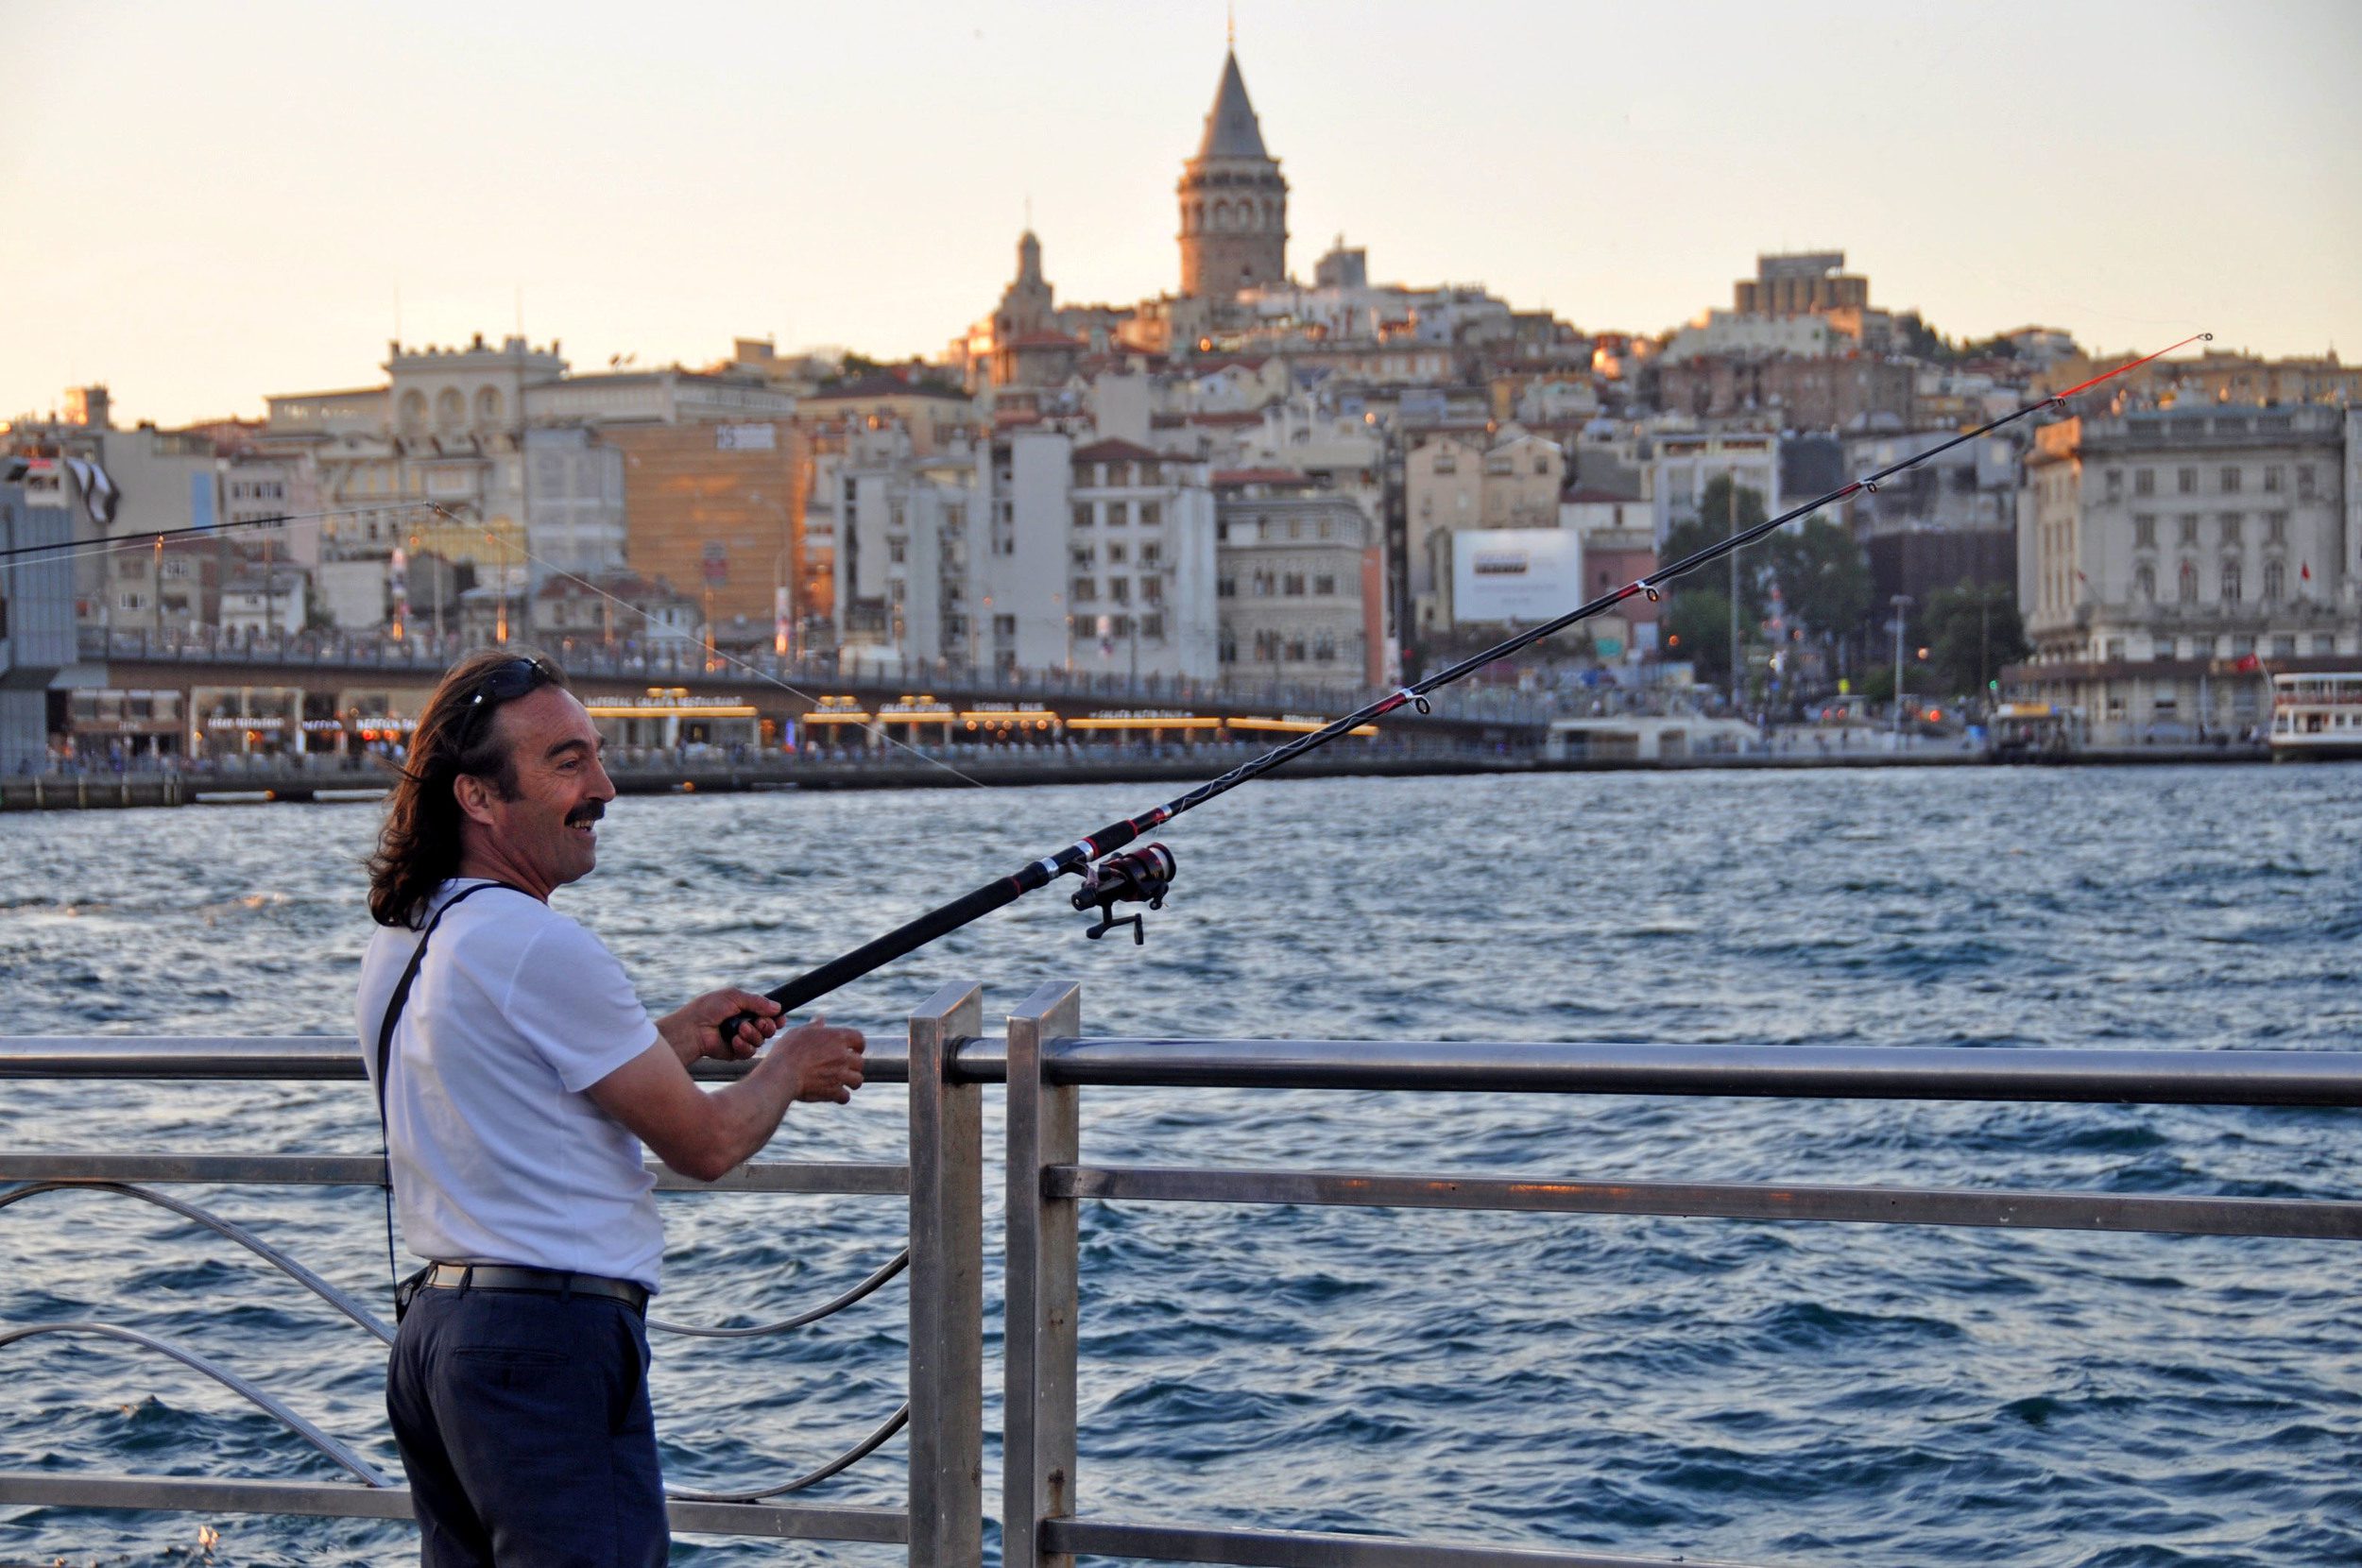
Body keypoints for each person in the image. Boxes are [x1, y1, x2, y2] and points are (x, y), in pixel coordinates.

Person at [357, 650, 865, 1566]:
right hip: (542, 1346)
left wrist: (675, 1036)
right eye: (567, 762)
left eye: (594, 754)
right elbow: (705, 1145)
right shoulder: (534, 942)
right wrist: (790, 1065)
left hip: (440, 1340)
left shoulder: (414, 930)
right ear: (476, 796)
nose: (605, 786)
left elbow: (515, 1080)